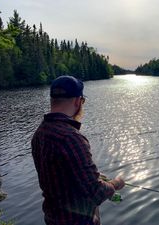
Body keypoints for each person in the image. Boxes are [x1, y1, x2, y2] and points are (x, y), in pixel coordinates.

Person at [31, 75, 125, 225]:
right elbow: (96, 193)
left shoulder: (39, 133)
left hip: (52, 219)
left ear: (52, 100)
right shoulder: (72, 138)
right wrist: (116, 183)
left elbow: (60, 175)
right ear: (77, 101)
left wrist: (94, 175)